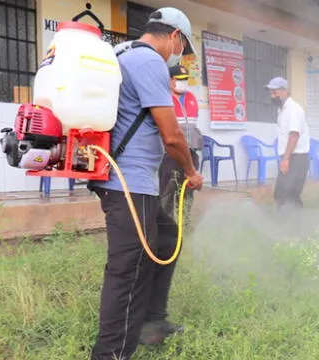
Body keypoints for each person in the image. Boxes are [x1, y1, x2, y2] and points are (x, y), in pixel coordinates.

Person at [87, 7, 204, 360]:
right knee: (129, 269)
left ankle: (153, 321)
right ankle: (111, 353)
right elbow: (171, 135)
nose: (178, 57)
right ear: (175, 36)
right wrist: (191, 172)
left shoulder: (122, 52)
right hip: (129, 180)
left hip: (129, 178)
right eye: (182, 48)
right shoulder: (150, 61)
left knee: (165, 237)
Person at [159, 64, 204, 219]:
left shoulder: (191, 98)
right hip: (170, 154)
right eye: (179, 79)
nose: (183, 82)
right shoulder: (163, 98)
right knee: (167, 192)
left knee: (188, 191)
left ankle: (183, 223)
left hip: (190, 153)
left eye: (185, 79)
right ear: (170, 81)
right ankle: (167, 227)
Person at [266, 76, 310, 211]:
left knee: (289, 194)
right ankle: (287, 225)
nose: (272, 96)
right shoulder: (283, 110)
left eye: (275, 93)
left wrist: (285, 159)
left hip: (296, 158)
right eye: (271, 93)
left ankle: (293, 225)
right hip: (290, 157)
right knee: (282, 193)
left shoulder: (293, 109)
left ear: (284, 91)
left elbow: (294, 135)